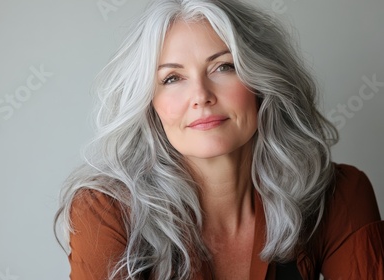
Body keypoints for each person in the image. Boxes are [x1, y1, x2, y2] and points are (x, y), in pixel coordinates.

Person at [54, 0, 384, 279]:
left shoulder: (339, 194)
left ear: (262, 82)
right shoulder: (105, 210)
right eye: (172, 78)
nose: (200, 96)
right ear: (149, 104)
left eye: (223, 67)